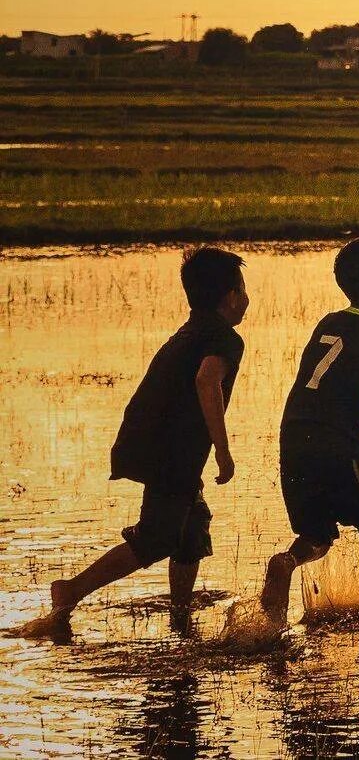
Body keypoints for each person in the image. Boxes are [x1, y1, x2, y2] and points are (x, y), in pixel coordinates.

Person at [49, 245, 248, 627]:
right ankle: (71, 590)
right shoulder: (223, 337)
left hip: (155, 444)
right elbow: (207, 381)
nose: (246, 299)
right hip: (169, 452)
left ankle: (180, 616)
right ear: (230, 297)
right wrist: (223, 451)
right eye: (242, 289)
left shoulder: (191, 330)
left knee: (191, 529)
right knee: (157, 538)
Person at [260, 236, 359, 624]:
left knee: (318, 536)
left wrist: (343, 428)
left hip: (295, 437)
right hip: (337, 445)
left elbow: (322, 389)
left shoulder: (328, 323)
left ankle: (287, 562)